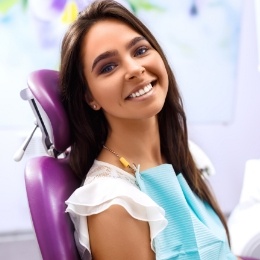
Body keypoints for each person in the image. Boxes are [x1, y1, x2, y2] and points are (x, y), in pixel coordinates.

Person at [61, 0, 240, 259]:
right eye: (108, 67)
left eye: (140, 50)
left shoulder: (182, 152)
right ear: (90, 97)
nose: (135, 69)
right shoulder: (114, 204)